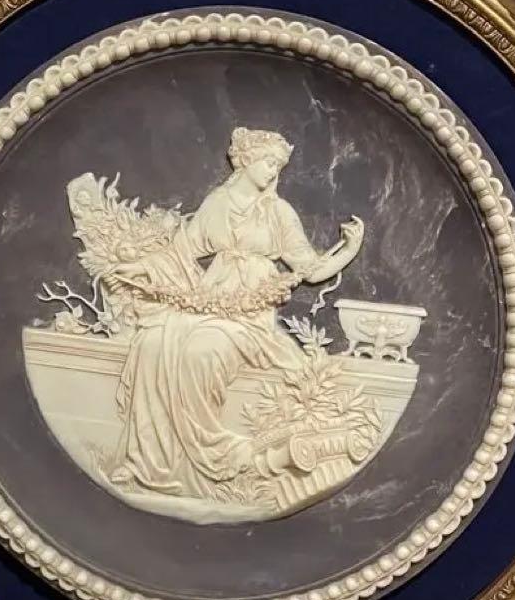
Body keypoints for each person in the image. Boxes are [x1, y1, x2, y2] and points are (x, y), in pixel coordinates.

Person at [104, 127, 364, 507]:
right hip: (210, 299)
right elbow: (181, 250)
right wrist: (138, 267)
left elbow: (310, 270)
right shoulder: (218, 203)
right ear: (245, 160)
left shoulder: (279, 212)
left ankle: (212, 456)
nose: (274, 171)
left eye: (279, 165)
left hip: (249, 314)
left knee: (202, 351)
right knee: (154, 340)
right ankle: (149, 462)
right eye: (269, 162)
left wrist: (349, 250)